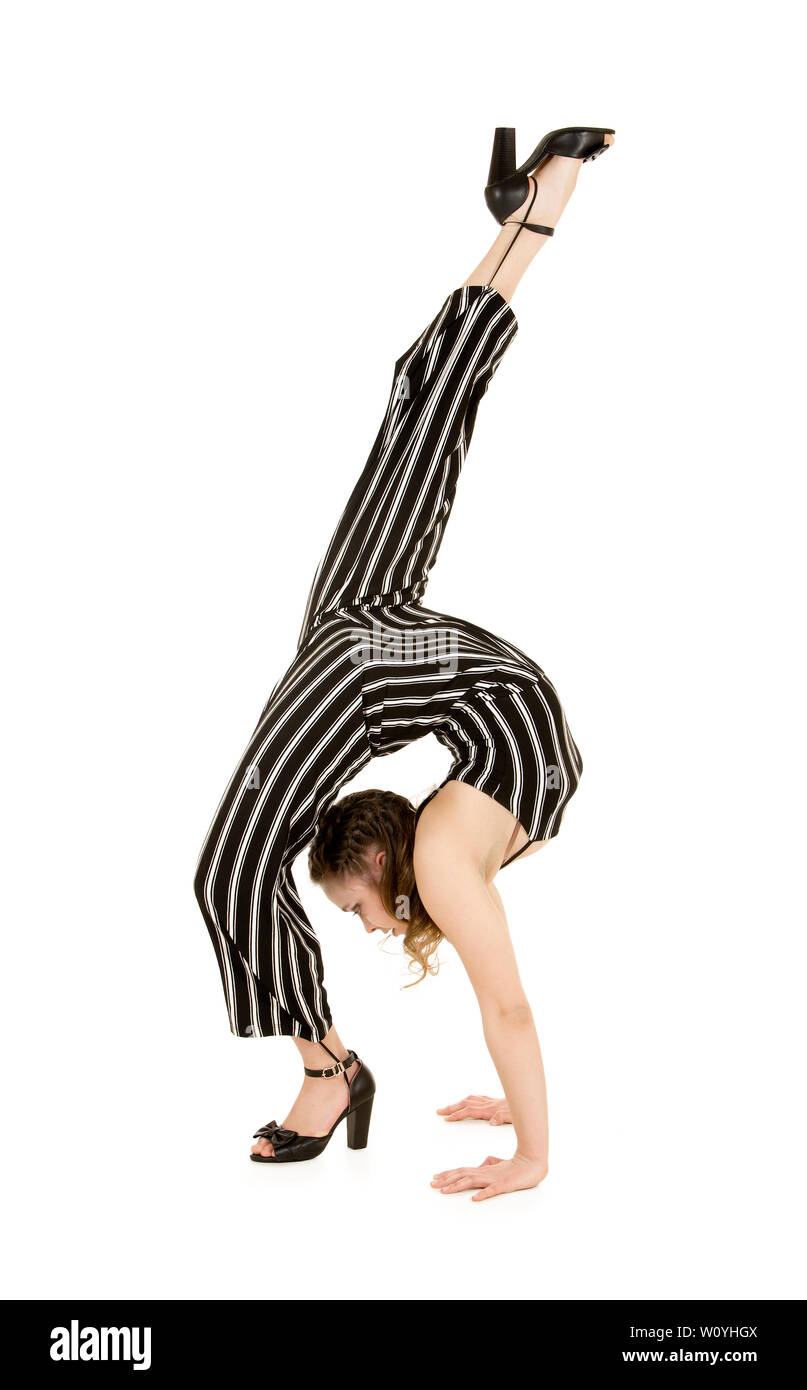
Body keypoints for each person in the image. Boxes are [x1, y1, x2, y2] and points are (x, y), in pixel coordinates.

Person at [194, 125, 615, 1200]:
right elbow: (508, 1005)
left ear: (380, 863)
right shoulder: (441, 849)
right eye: (350, 907)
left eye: (344, 911)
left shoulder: (446, 844)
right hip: (379, 662)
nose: (361, 922)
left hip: (371, 638)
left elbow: (507, 1006)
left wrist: (528, 1140)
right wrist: (529, 1133)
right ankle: (328, 1065)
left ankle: (534, 207)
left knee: (419, 403)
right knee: (229, 870)